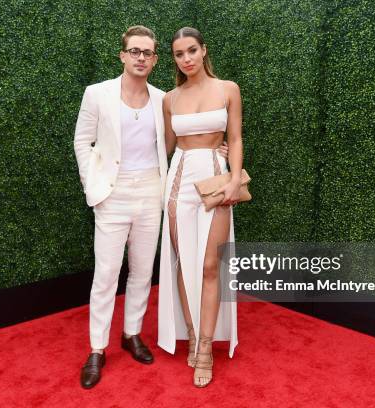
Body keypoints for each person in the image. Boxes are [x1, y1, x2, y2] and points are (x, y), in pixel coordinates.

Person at [74, 25, 230, 389]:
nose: (141, 57)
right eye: (135, 51)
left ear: (156, 59)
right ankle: (97, 350)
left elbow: (179, 142)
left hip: (151, 193)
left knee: (143, 272)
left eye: (147, 53)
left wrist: (216, 151)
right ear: (123, 55)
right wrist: (92, 186)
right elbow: (83, 141)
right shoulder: (97, 94)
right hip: (112, 196)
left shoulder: (164, 99)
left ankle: (132, 334)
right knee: (106, 276)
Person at [157, 27, 243, 388]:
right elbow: (167, 146)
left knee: (210, 264)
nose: (186, 58)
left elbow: (236, 137)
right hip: (179, 180)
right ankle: (191, 332)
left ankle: (206, 347)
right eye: (179, 54)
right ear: (175, 59)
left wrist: (235, 179)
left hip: (215, 178)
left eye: (191, 50)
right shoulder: (170, 99)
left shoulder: (228, 89)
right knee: (183, 260)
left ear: (204, 50)